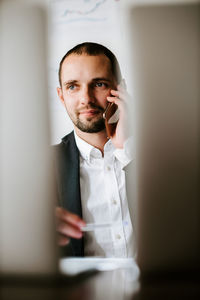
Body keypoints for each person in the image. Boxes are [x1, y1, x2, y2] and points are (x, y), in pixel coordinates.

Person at [54, 42, 134, 257]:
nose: (86, 99)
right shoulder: (40, 167)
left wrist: (127, 149)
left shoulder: (166, 153)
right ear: (61, 96)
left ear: (120, 89)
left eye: (98, 84)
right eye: (73, 86)